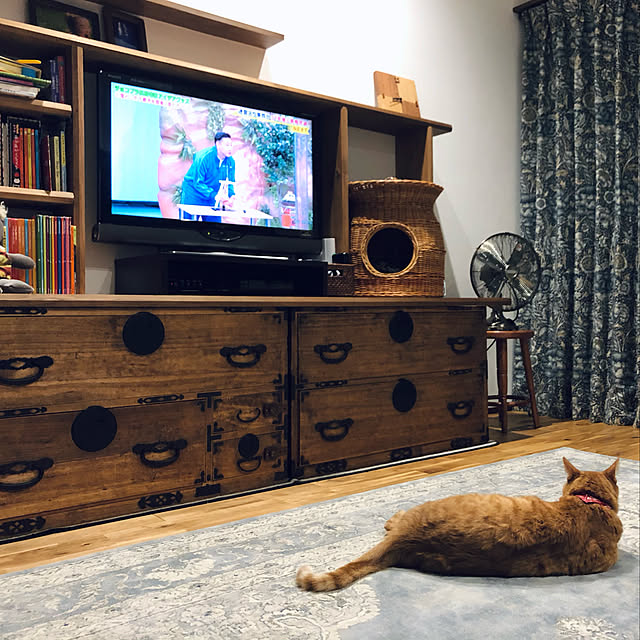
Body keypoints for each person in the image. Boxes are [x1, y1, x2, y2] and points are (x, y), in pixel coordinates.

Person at [180, 131, 236, 222]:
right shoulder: (204, 157)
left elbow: (230, 182)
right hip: (193, 194)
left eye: (231, 145)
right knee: (188, 226)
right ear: (218, 145)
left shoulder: (230, 162)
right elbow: (198, 183)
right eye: (227, 145)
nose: (230, 148)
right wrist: (215, 195)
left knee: (214, 225)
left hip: (212, 195)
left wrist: (231, 196)